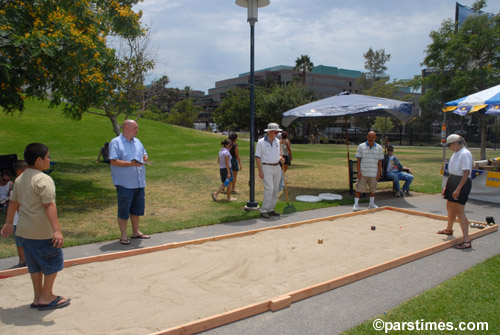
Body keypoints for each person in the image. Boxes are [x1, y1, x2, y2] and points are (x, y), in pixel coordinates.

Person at [1, 143, 71, 310]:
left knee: (34, 266)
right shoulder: (43, 180)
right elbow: (49, 205)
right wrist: (57, 230)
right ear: (39, 160)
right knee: (51, 263)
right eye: (48, 157)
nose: (49, 160)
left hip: (24, 231)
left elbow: (13, 203)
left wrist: (9, 223)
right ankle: (47, 297)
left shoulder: (20, 178)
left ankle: (38, 296)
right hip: (42, 232)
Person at [109, 119, 150, 245]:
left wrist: (144, 158)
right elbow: (113, 161)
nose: (137, 131)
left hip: (138, 181)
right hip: (125, 183)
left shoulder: (138, 142)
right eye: (135, 128)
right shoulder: (116, 142)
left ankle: (136, 231)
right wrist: (130, 164)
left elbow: (144, 154)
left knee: (136, 209)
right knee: (124, 209)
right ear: (127, 127)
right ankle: (123, 235)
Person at [438, 134, 473, 249]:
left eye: (450, 145)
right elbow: (452, 172)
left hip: (461, 181)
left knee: (459, 210)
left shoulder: (465, 153)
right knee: (450, 206)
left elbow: (466, 173)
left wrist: (458, 188)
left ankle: (466, 240)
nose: (449, 147)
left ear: (456, 143)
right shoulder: (456, 153)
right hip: (453, 180)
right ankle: (449, 229)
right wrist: (447, 186)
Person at [256, 123, 285, 218]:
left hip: (277, 167)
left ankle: (271, 209)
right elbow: (257, 157)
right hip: (266, 167)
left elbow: (279, 154)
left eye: (278, 132)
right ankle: (264, 210)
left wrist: (281, 158)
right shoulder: (261, 142)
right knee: (270, 188)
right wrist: (260, 170)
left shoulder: (277, 141)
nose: (277, 133)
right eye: (276, 132)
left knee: (276, 189)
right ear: (270, 132)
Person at [353, 131, 384, 211]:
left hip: (373, 173)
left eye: (372, 137)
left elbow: (380, 161)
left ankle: (371, 204)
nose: (371, 139)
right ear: (367, 137)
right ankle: (356, 205)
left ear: (375, 138)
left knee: (372, 189)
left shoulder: (379, 148)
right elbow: (358, 160)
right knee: (359, 189)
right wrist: (358, 172)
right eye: (369, 137)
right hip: (363, 172)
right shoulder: (361, 146)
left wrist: (379, 173)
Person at [11, 160, 29, 267]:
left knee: (26, 239)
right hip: (20, 218)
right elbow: (16, 204)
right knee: (20, 240)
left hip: (24, 217)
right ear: (19, 172)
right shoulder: (18, 184)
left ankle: (26, 259)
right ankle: (22, 260)